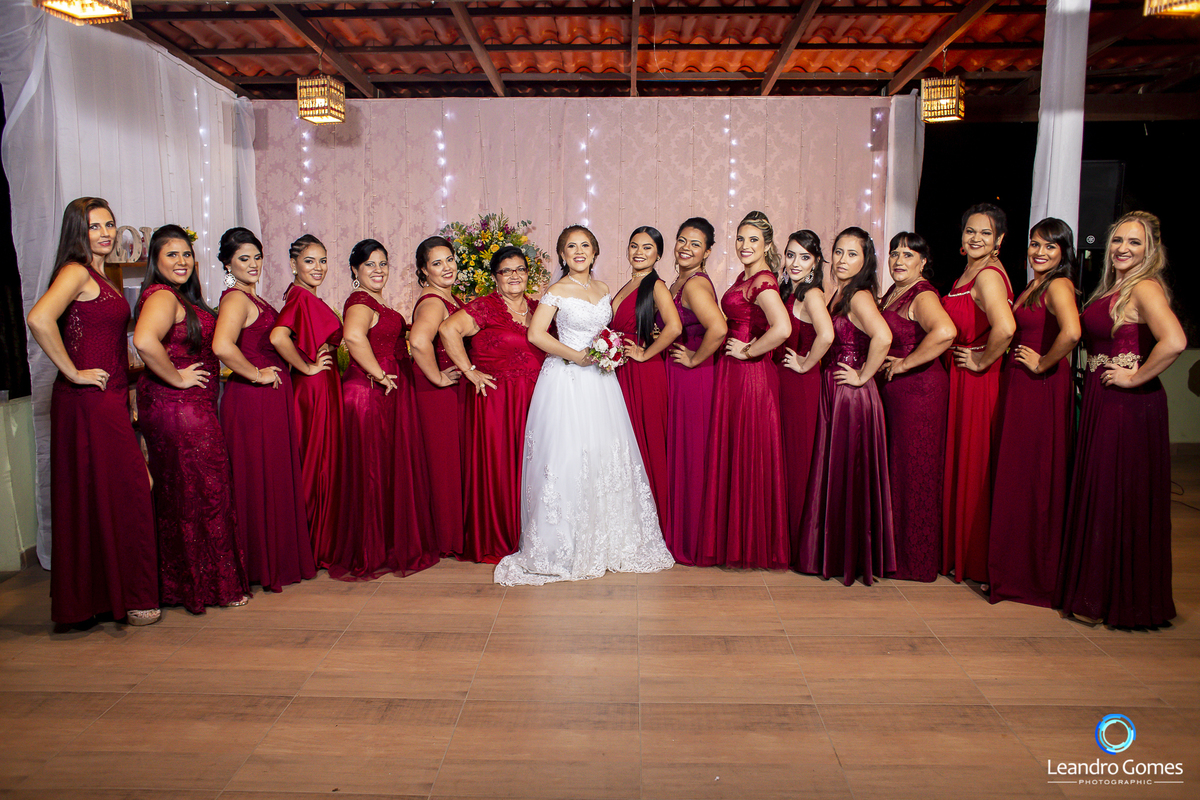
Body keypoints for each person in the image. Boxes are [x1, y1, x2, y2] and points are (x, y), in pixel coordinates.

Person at [493, 226, 674, 585]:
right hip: (566, 379)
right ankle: (564, 542)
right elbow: (536, 334)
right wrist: (575, 355)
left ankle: (608, 538)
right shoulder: (556, 291)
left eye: (585, 245)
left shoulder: (604, 289)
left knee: (605, 452)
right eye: (571, 246)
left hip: (602, 382)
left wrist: (611, 349)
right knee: (569, 454)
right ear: (562, 255)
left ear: (594, 252)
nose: (579, 251)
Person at [26, 197, 159, 626]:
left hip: (108, 397)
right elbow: (39, 319)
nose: (104, 233)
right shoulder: (76, 271)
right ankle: (129, 595)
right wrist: (73, 371)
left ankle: (101, 598)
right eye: (94, 226)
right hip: (88, 400)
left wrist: (126, 391)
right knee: (129, 488)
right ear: (77, 232)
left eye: (109, 225)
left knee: (103, 493)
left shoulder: (101, 274)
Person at [1056, 211, 1185, 628]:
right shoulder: (1114, 286)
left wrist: (1135, 377)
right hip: (1105, 400)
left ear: (1150, 250)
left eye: (1134, 242)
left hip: (1127, 405)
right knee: (1104, 492)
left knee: (1115, 494)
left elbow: (1175, 341)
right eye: (1117, 240)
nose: (1123, 248)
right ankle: (1102, 592)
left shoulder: (1144, 286)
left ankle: (1112, 598)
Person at [132, 224, 249, 612]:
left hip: (187, 407)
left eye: (186, 254)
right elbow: (144, 340)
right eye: (172, 254)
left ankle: (188, 585)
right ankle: (207, 586)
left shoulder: (179, 296)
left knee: (189, 492)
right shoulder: (163, 296)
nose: (182, 261)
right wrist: (177, 377)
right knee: (202, 490)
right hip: (178, 408)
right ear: (156, 260)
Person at [213, 227, 316, 592]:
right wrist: (256, 374)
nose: (253, 264)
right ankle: (261, 563)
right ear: (228, 264)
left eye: (257, 257)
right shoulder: (235, 299)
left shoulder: (251, 297)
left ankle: (274, 559)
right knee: (258, 478)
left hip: (269, 400)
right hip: (253, 400)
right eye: (244, 258)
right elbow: (222, 346)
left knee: (270, 477)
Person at [330, 239, 437, 579]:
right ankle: (372, 550)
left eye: (383, 264)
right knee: (373, 471)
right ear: (355, 270)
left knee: (383, 467)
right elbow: (353, 336)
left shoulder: (375, 301)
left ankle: (385, 544)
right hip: (370, 393)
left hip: (382, 390)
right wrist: (377, 373)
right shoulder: (360, 301)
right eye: (370, 264)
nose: (378, 270)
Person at [988, 219, 1080, 606]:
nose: (1039, 252)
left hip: (1040, 388)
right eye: (1035, 244)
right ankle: (1012, 569)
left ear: (1064, 252)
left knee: (1035, 474)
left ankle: (1031, 577)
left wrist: (1043, 363)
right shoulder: (1035, 285)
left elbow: (1072, 333)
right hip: (1022, 386)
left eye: (1049, 246)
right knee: (1019, 474)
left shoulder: (1058, 285)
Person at [797, 227, 895, 585]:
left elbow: (883, 336)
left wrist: (863, 375)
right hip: (835, 390)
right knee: (835, 472)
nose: (841, 259)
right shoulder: (840, 292)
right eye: (838, 251)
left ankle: (844, 556)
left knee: (846, 473)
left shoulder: (859, 296)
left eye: (852, 254)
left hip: (850, 396)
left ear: (866, 260)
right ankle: (834, 552)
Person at [697, 211, 791, 570]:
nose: (745, 245)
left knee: (748, 450)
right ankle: (735, 539)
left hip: (750, 375)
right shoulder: (746, 277)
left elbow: (782, 328)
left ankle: (749, 543)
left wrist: (750, 351)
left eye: (753, 239)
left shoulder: (763, 280)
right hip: (734, 374)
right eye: (740, 238)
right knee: (737, 449)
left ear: (767, 245)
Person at [440, 245, 544, 564]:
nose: (514, 276)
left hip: (535, 401)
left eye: (520, 269)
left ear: (528, 274)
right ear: (495, 277)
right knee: (500, 467)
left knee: (533, 466)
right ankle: (498, 536)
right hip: (497, 402)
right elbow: (448, 329)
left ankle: (531, 534)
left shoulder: (538, 309)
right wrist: (469, 370)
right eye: (506, 271)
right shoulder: (485, 307)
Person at [941, 203, 1016, 584]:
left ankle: (973, 557)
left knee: (974, 465)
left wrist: (982, 361)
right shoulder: (969, 272)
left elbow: (1006, 328)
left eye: (986, 233)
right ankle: (960, 552)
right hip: (962, 380)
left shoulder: (987, 275)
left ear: (999, 240)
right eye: (970, 231)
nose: (976, 238)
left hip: (977, 383)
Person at [877, 232, 955, 583]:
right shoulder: (895, 292)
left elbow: (945, 331)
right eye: (895, 253)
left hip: (919, 393)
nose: (899, 260)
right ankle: (893, 554)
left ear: (923, 262)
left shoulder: (922, 294)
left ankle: (915, 561)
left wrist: (906, 364)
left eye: (908, 254)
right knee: (898, 469)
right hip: (899, 393)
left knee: (914, 473)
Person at [270, 234, 343, 568]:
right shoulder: (300, 297)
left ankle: (315, 543)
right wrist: (307, 367)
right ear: (293, 264)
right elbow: (278, 336)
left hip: (320, 385)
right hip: (314, 388)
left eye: (323, 261)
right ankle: (313, 546)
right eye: (310, 261)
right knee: (317, 462)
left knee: (319, 460)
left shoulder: (303, 295)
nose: (318, 268)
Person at [610, 226, 682, 533]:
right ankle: (628, 520)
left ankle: (655, 523)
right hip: (621, 371)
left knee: (645, 442)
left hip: (643, 373)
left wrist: (645, 353)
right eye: (634, 246)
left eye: (647, 247)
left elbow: (674, 327)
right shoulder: (630, 283)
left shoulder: (657, 285)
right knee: (626, 443)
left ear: (659, 254)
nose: (639, 252)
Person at [663, 218, 726, 565]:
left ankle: (694, 539)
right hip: (680, 378)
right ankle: (682, 533)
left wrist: (693, 359)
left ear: (708, 252)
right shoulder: (679, 281)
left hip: (694, 378)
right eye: (682, 240)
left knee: (692, 456)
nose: (686, 248)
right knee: (682, 454)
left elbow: (718, 328)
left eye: (695, 244)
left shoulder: (695, 285)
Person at [776, 230, 833, 562]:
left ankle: (800, 546)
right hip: (785, 384)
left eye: (804, 257)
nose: (795, 263)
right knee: (786, 460)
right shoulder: (790, 290)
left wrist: (805, 364)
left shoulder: (812, 294)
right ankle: (785, 539)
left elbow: (826, 335)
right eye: (790, 255)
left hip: (801, 386)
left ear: (815, 262)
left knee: (798, 462)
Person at [409, 236, 466, 559]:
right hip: (437, 395)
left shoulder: (446, 296)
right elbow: (419, 341)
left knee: (448, 464)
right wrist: (437, 377)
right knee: (444, 465)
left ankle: (450, 533)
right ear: (423, 270)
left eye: (450, 260)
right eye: (436, 263)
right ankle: (447, 538)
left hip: (446, 393)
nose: (446, 267)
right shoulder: (433, 301)